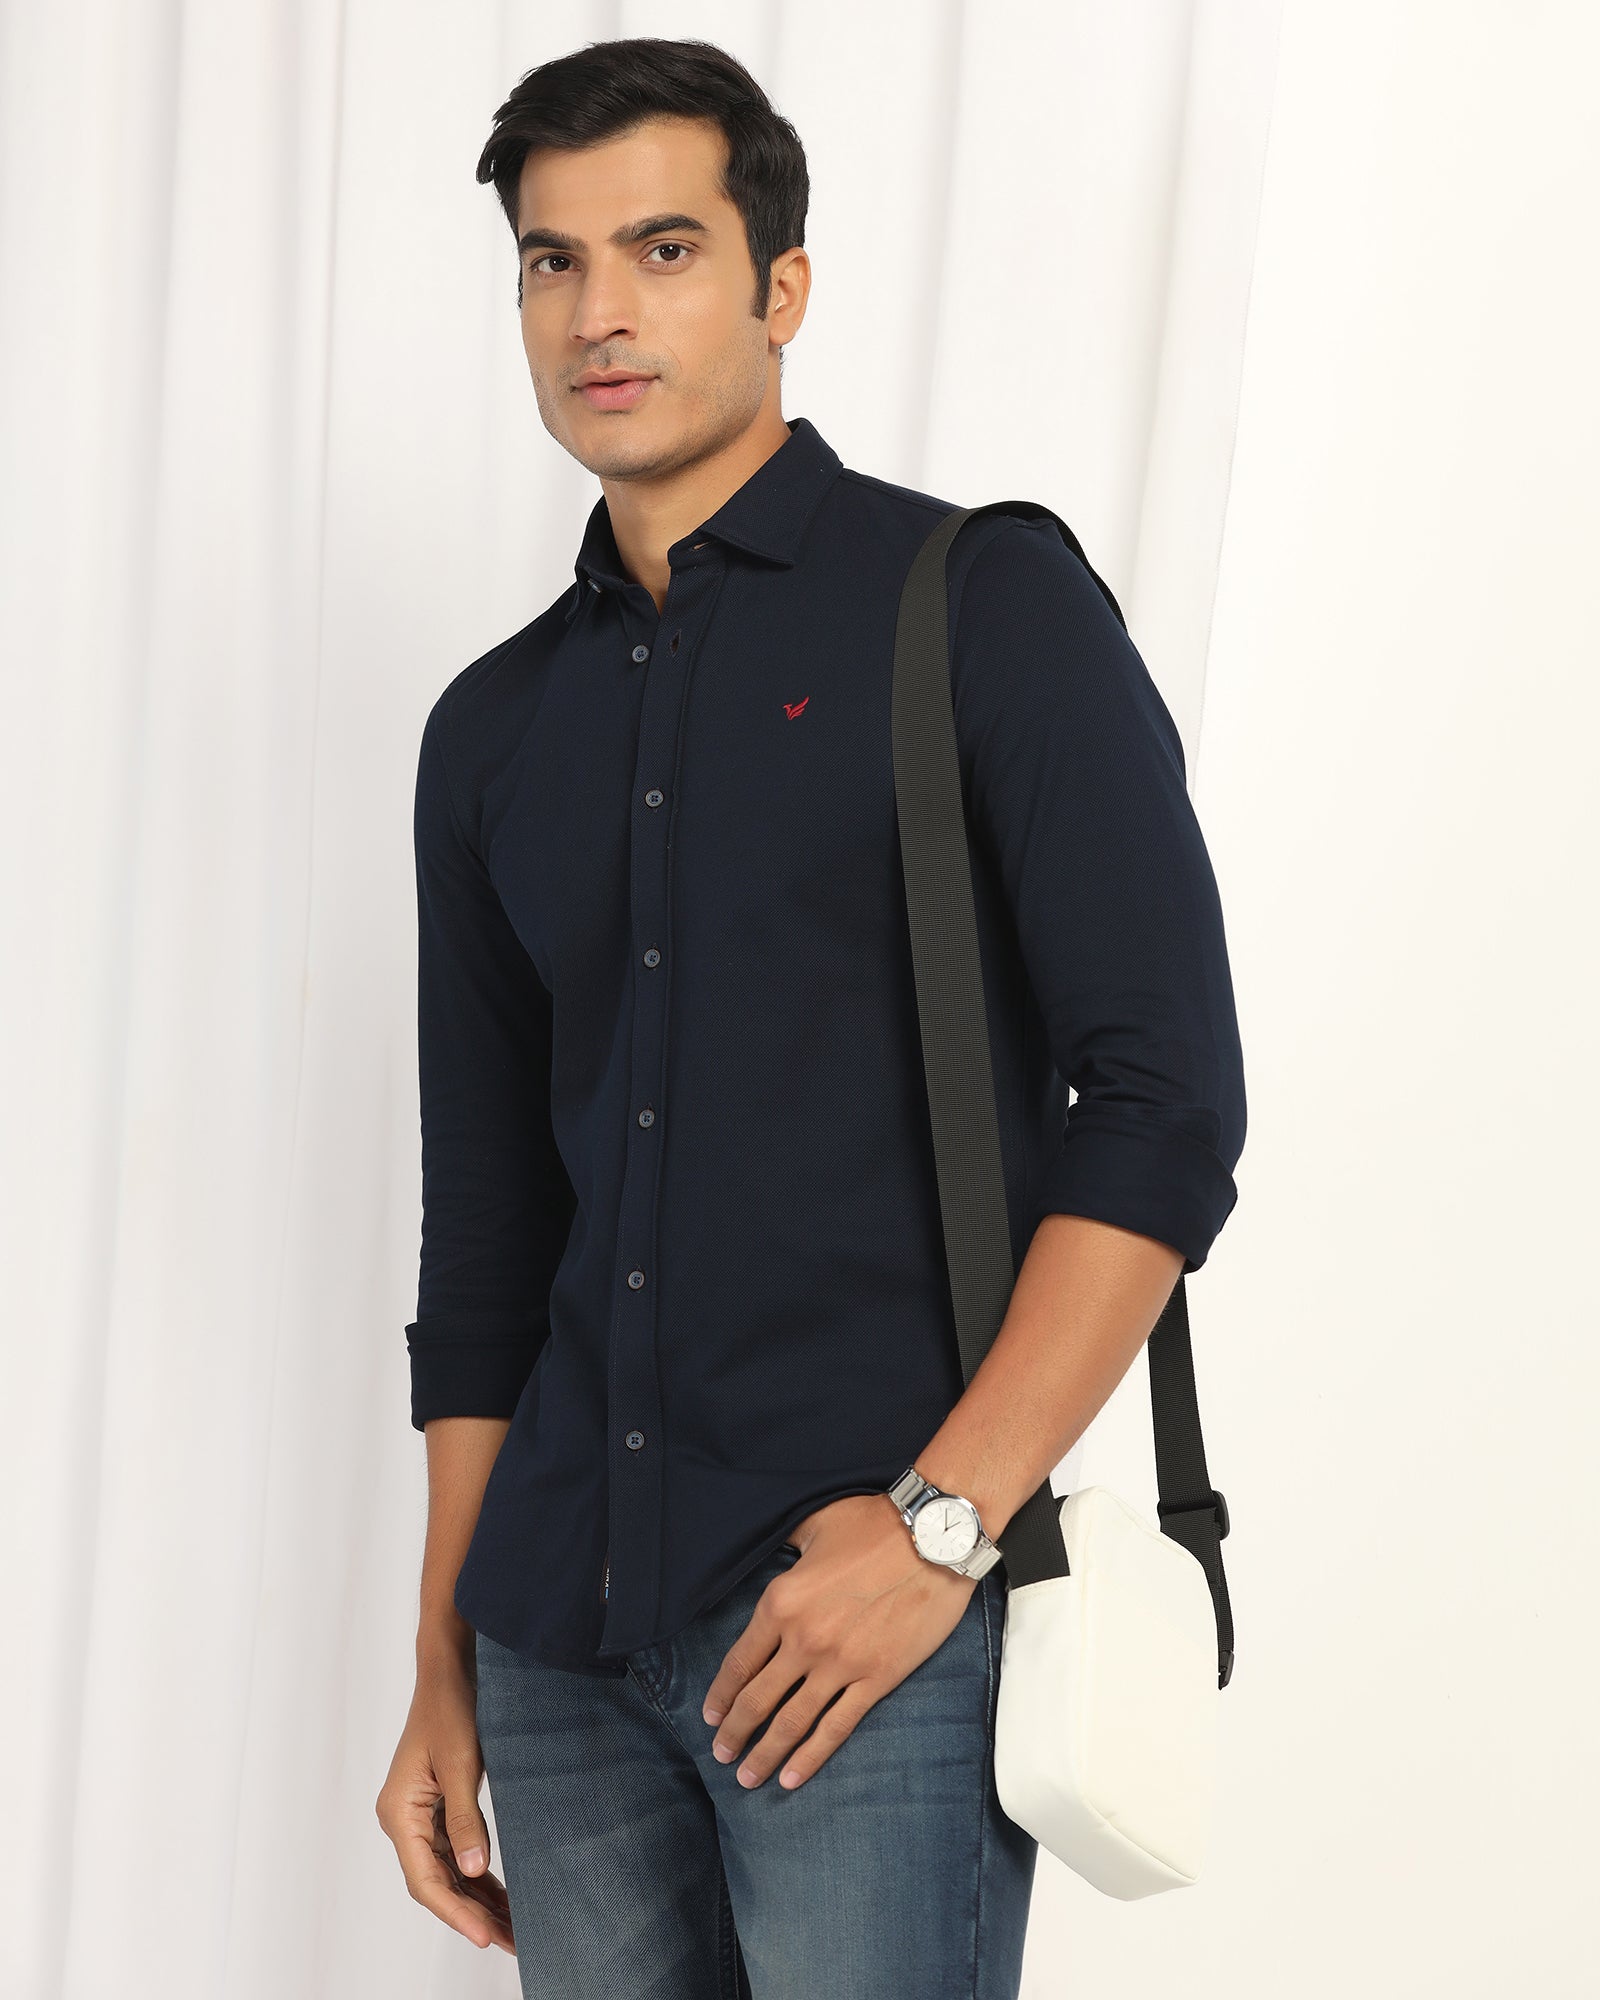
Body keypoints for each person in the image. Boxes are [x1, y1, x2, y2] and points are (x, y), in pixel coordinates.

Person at [375, 34, 1246, 2000]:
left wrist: (938, 1527)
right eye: (550, 261)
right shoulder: (491, 731)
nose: (597, 313)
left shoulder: (979, 604)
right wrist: (443, 1660)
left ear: (781, 286)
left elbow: (1163, 1103)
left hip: (867, 1628)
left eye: (663, 249)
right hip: (556, 1654)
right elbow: (488, 1235)